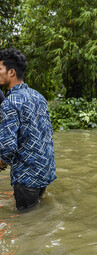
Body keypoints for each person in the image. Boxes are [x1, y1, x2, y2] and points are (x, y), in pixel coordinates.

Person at [0, 48, 56, 211]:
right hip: (44, 174)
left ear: (11, 72)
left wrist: (1, 162)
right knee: (37, 219)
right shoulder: (39, 97)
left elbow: (8, 148)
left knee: (26, 227)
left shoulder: (9, 103)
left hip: (26, 180)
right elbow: (46, 134)